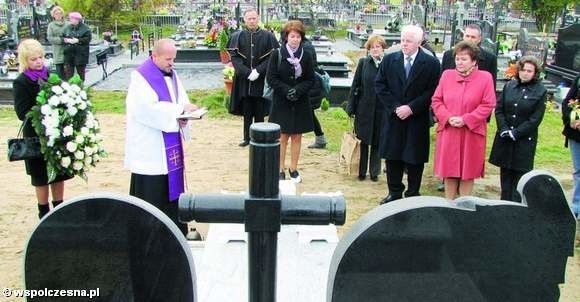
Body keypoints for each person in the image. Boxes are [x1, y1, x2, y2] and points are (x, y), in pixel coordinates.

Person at [124, 39, 198, 235]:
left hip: (169, 148)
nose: (171, 63)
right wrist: (178, 110)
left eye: (173, 59)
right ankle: (150, 235)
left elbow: (181, 100)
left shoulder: (171, 74)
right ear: (154, 56)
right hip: (150, 149)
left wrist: (184, 116)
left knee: (171, 192)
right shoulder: (141, 77)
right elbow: (145, 110)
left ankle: (174, 232)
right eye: (168, 59)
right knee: (152, 195)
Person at [375, 25, 440, 204]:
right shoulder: (389, 60)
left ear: (419, 42)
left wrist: (411, 108)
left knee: (414, 158)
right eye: (402, 40)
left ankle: (413, 193)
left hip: (416, 119)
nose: (404, 44)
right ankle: (394, 192)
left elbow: (432, 90)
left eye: (408, 41)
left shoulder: (431, 63)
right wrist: (396, 107)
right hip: (394, 118)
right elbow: (380, 85)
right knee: (393, 156)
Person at [13, 39, 73, 219]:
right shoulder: (22, 82)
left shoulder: (52, 76)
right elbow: (22, 112)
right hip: (36, 136)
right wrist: (44, 112)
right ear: (25, 61)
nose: (39, 61)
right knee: (40, 176)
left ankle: (59, 207)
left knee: (58, 174)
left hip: (56, 134)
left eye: (41, 57)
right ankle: (44, 211)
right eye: (33, 59)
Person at [431, 41, 496, 200]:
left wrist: (467, 119)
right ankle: (449, 204)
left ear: (474, 61)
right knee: (450, 169)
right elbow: (436, 100)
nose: (459, 62)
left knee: (468, 171)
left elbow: (488, 104)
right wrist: (447, 117)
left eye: (464, 59)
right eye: (457, 59)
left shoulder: (485, 78)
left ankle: (464, 206)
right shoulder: (447, 75)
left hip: (471, 132)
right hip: (449, 130)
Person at [489, 56, 546, 202]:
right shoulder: (510, 86)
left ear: (535, 73)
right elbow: (499, 109)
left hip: (523, 141)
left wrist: (516, 133)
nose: (525, 73)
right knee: (505, 175)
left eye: (529, 71)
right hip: (506, 138)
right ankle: (504, 204)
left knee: (519, 178)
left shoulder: (540, 91)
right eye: (523, 70)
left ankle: (516, 207)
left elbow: (535, 119)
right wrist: (504, 129)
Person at [267, 20, 315, 183]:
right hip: (282, 101)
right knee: (282, 136)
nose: (295, 39)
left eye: (298, 36)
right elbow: (271, 78)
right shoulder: (277, 54)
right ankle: (279, 169)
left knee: (297, 136)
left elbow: (310, 79)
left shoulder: (306, 55)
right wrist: (286, 90)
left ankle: (293, 169)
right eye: (292, 36)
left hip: (300, 101)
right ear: (286, 37)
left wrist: (298, 90)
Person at [228, 8, 279, 147]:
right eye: (249, 18)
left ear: (258, 18)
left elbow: (272, 58)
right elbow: (235, 59)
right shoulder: (237, 36)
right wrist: (246, 72)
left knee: (259, 108)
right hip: (244, 79)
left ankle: (259, 135)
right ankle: (247, 137)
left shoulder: (268, 36)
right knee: (247, 109)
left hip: (261, 78)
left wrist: (258, 71)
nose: (251, 21)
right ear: (244, 20)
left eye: (254, 18)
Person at [347, 34, 387, 182]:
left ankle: (374, 171)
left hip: (381, 109)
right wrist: (351, 106)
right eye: (372, 47)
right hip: (364, 108)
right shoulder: (363, 63)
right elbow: (355, 85)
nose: (375, 50)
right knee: (362, 140)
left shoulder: (388, 64)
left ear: (383, 48)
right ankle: (361, 171)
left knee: (377, 141)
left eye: (378, 47)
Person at [562, 74, 580, 219]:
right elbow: (567, 102)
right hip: (577, 134)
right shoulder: (579, 79)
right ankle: (576, 207)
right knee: (579, 171)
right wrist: (572, 118)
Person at [62, 12, 91, 82]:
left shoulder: (85, 28)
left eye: (72, 19)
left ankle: (81, 89)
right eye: (70, 19)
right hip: (69, 55)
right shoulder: (67, 28)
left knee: (81, 73)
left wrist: (78, 40)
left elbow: (88, 39)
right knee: (69, 74)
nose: (71, 20)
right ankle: (70, 89)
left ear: (77, 19)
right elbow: (62, 36)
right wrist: (66, 40)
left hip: (80, 54)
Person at [46, 6, 68, 79]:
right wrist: (61, 40)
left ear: (62, 14)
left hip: (68, 52)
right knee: (60, 75)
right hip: (57, 52)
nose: (58, 15)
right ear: (53, 15)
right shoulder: (51, 25)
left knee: (69, 75)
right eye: (56, 14)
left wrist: (68, 39)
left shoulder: (68, 24)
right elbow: (50, 38)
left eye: (60, 13)